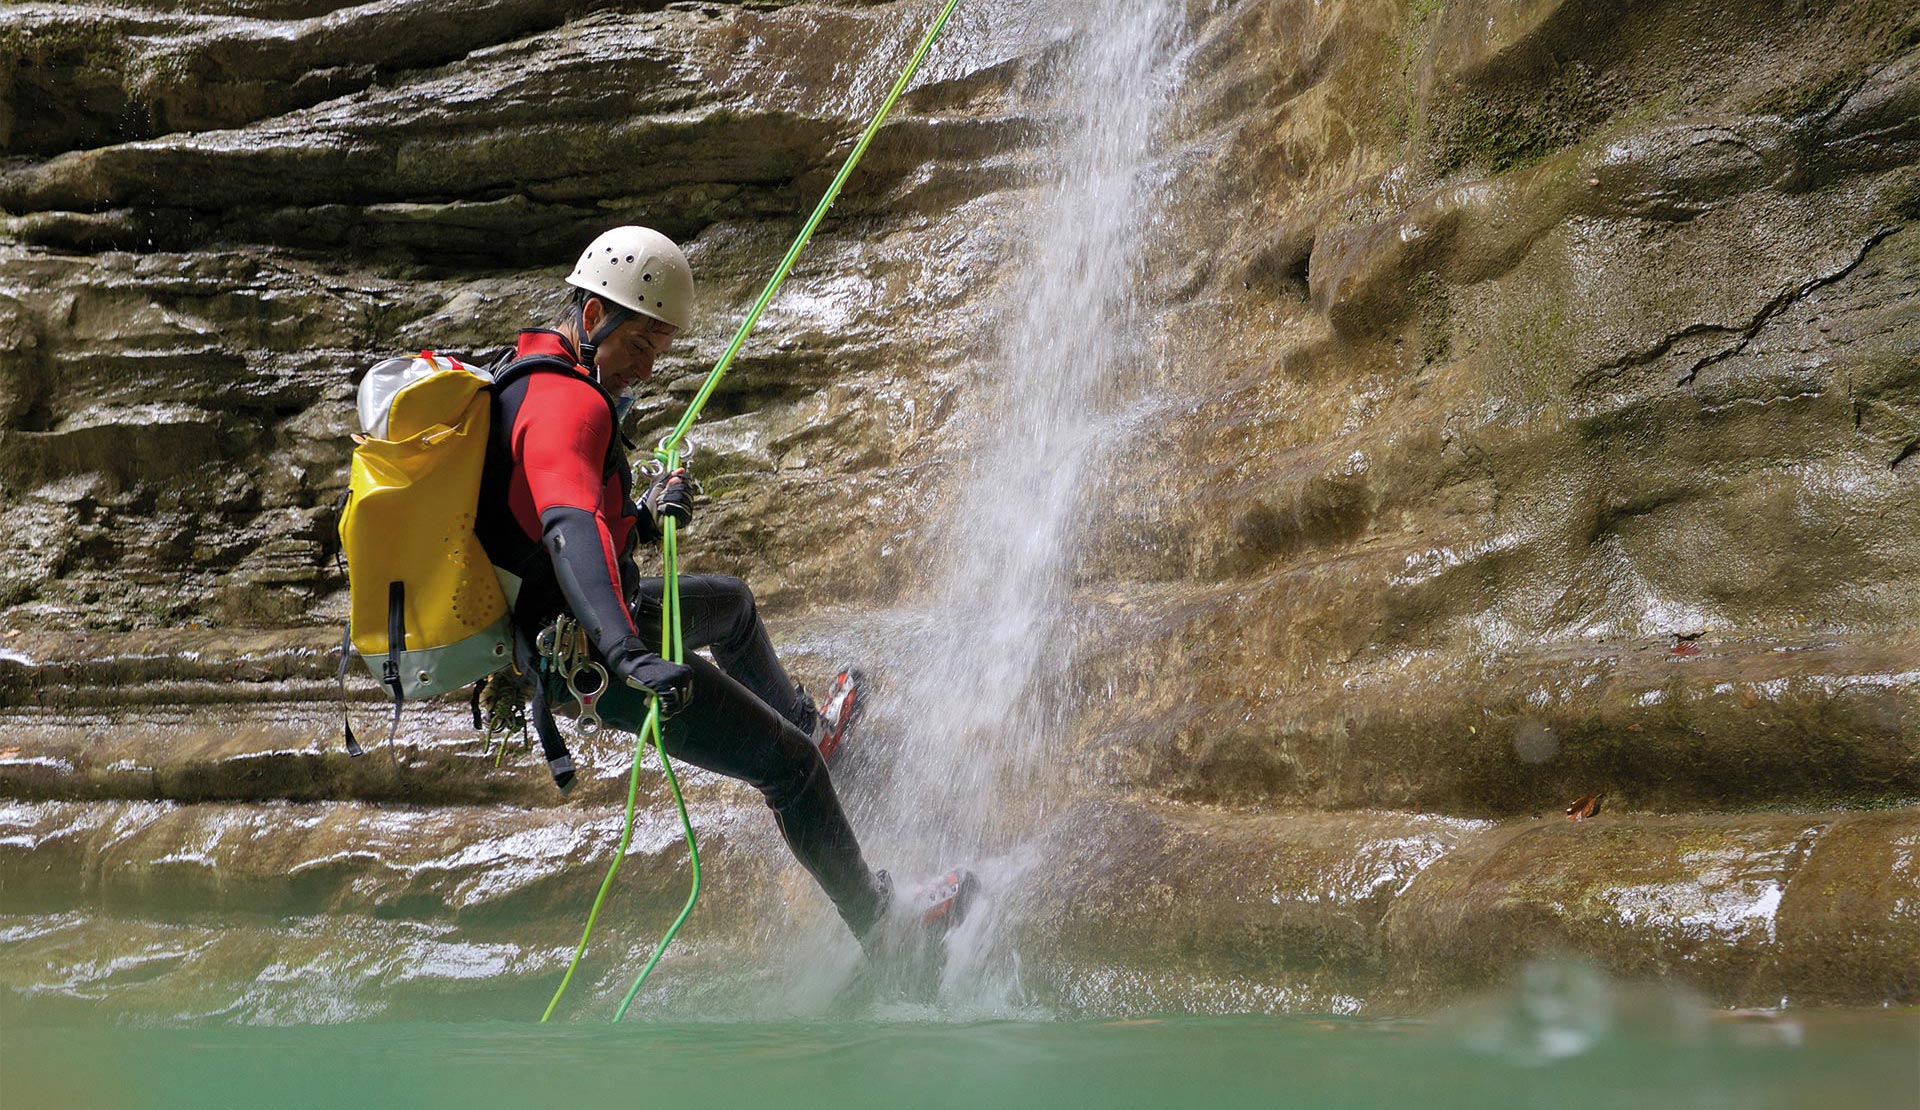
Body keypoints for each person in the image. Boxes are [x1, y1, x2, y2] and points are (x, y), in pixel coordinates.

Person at [475, 224, 973, 946]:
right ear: (592, 318)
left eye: (659, 352)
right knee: (789, 772)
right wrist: (626, 656)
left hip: (583, 614)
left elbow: (553, 518)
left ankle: (810, 725)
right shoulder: (568, 403)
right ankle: (884, 933)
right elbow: (566, 527)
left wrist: (643, 519)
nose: (647, 369)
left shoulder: (534, 374)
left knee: (730, 608)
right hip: (586, 651)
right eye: (641, 346)